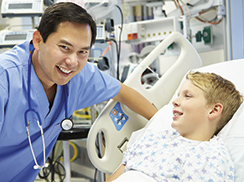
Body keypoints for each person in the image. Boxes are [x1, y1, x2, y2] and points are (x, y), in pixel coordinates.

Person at [0, 2, 158, 181]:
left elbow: (123, 92)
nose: (72, 62)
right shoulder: (5, 80)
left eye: (83, 51)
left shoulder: (79, 76)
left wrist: (163, 125)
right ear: (37, 40)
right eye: (64, 47)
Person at [106, 71, 243, 182]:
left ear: (214, 110)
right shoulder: (153, 139)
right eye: (178, 95)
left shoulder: (209, 155)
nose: (175, 102)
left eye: (187, 96)